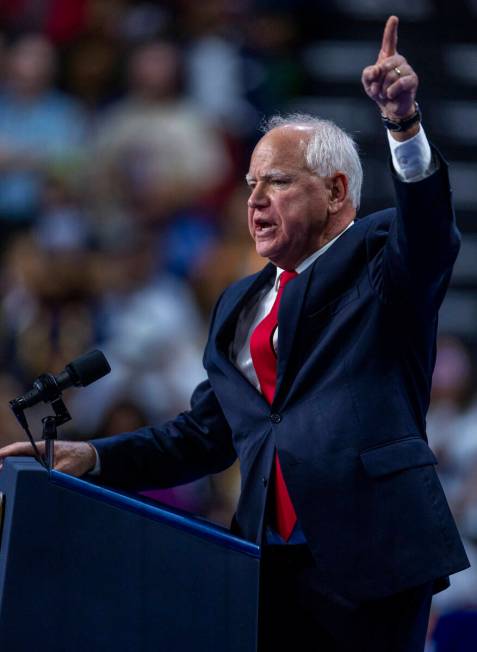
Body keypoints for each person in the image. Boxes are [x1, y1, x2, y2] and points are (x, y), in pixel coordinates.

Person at [0, 16, 470, 652]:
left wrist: (403, 124)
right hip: (263, 562)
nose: (253, 200)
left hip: (373, 554)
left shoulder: (381, 263)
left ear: (335, 192)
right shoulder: (238, 304)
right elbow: (205, 434)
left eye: (275, 181)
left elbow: (431, 231)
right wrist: (98, 456)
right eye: (250, 184)